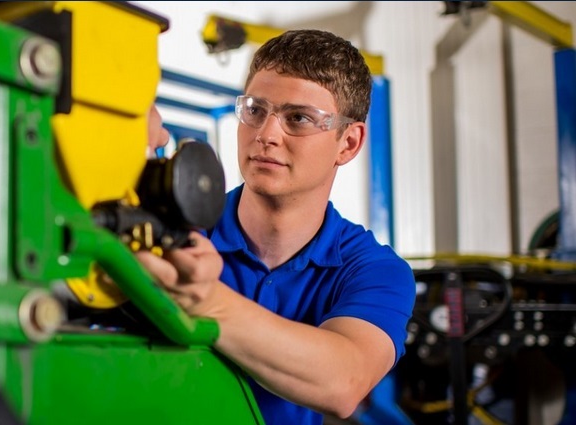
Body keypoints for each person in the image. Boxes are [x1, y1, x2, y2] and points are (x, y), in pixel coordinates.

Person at [138, 30, 416, 424]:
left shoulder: (374, 270)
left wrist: (207, 302)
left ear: (348, 144)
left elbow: (343, 382)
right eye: (254, 110)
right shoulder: (169, 230)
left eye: (298, 118)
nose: (266, 135)